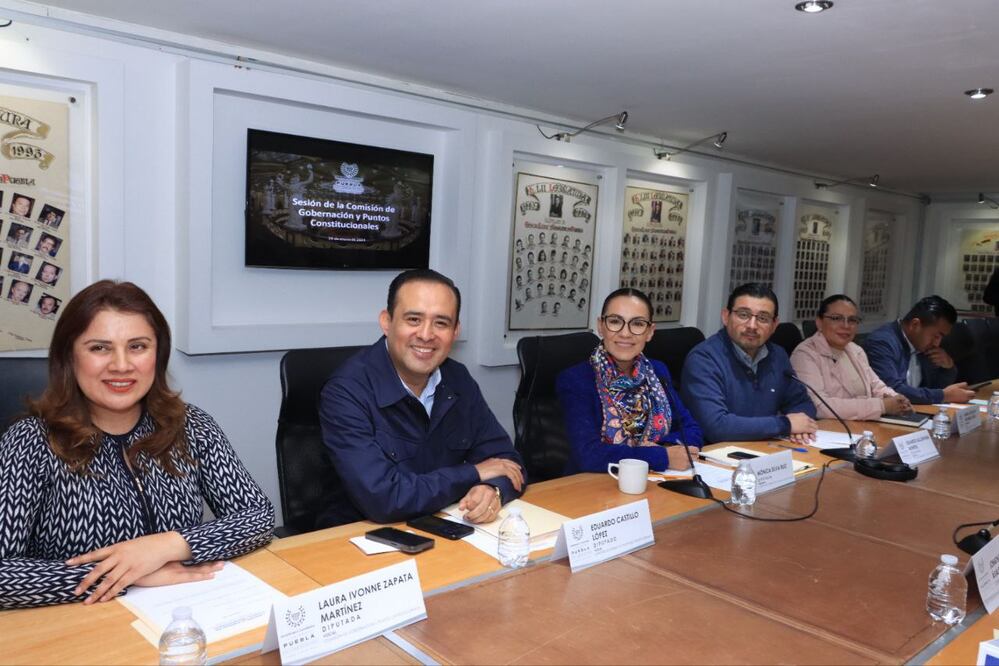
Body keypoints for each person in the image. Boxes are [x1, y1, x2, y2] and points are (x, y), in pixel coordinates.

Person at [0, 280, 274, 609]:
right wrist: (121, 574)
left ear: (157, 355)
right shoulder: (31, 441)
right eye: (99, 348)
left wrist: (167, 546)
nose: (121, 365)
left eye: (137, 346)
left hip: (184, 614)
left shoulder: (190, 425)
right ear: (70, 357)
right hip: (78, 629)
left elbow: (257, 516)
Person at [317, 269, 526, 527]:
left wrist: (492, 490)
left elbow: (507, 462)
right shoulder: (346, 391)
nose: (426, 335)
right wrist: (474, 473)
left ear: (455, 331)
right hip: (359, 541)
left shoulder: (457, 379)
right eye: (414, 319)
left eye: (441, 323)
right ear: (386, 321)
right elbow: (383, 498)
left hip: (442, 527)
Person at [556, 288, 703, 474]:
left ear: (650, 332)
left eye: (638, 324)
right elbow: (588, 455)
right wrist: (662, 456)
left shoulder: (657, 371)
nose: (625, 333)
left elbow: (692, 430)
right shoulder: (576, 380)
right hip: (595, 486)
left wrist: (660, 450)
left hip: (656, 481)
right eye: (615, 322)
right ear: (601, 326)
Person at [681, 283, 817, 443]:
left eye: (763, 318)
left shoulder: (777, 355)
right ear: (726, 316)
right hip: (718, 456)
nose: (752, 326)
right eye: (743, 315)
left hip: (765, 449)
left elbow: (802, 403)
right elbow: (716, 427)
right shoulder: (704, 359)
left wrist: (799, 426)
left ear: (774, 325)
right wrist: (786, 424)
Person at [790, 295, 911, 420]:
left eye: (852, 320)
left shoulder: (855, 350)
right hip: (828, 430)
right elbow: (819, 406)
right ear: (819, 322)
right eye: (837, 318)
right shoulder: (805, 354)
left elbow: (876, 386)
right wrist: (881, 406)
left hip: (862, 426)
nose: (846, 326)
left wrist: (897, 399)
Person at [862, 295, 973, 404]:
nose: (937, 343)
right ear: (915, 325)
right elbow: (892, 391)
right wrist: (944, 396)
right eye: (936, 336)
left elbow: (933, 389)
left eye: (941, 337)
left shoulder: (923, 346)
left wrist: (947, 367)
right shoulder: (882, 343)